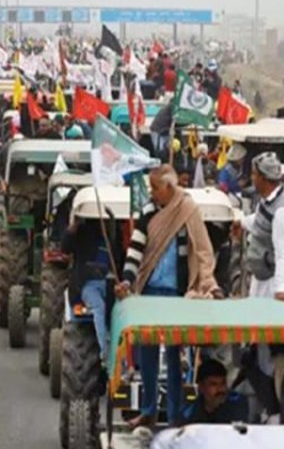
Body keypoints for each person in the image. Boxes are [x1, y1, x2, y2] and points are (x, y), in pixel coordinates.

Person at [116, 165, 223, 428]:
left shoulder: (188, 210)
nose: (152, 193)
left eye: (155, 188)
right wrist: (128, 280)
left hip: (177, 293)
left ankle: (175, 416)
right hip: (150, 291)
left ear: (169, 188)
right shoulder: (149, 212)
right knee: (148, 356)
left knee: (175, 357)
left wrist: (209, 284)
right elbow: (136, 250)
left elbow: (203, 250)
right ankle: (149, 411)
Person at [232, 152, 284, 420]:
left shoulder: (283, 210)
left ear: (264, 178)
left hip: (275, 283)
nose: (251, 178)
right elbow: (257, 223)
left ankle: (275, 410)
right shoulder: (265, 203)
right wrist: (240, 222)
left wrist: (280, 290)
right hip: (260, 282)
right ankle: (263, 406)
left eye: (254, 174)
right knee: (256, 348)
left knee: (273, 353)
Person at [61, 216, 120, 362]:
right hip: (88, 284)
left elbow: (119, 260)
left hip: (109, 283)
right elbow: (65, 248)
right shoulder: (82, 233)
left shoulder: (113, 236)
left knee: (121, 309)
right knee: (99, 307)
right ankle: (106, 352)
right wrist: (71, 229)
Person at [180, 359, 249, 425]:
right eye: (213, 384)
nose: (220, 389)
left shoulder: (237, 408)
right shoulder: (189, 414)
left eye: (223, 383)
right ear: (201, 387)